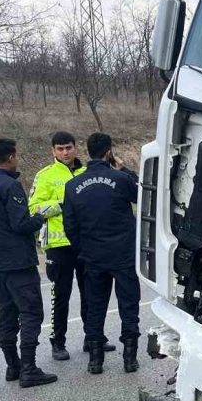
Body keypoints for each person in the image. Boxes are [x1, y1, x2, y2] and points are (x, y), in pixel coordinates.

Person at [0, 138, 58, 388]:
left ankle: (13, 364)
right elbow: (20, 224)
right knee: (31, 313)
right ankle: (29, 368)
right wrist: (40, 217)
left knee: (7, 313)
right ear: (11, 157)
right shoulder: (10, 186)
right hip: (19, 263)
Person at [28, 131, 115, 361]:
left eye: (68, 147)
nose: (65, 152)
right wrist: (64, 204)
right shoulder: (45, 175)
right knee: (61, 296)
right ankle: (58, 342)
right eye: (60, 149)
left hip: (86, 243)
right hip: (58, 246)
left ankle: (93, 338)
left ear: (76, 148)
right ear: (53, 151)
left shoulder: (88, 172)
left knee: (91, 293)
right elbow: (34, 208)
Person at [62, 133, 141, 375]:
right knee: (129, 305)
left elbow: (70, 225)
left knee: (95, 307)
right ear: (109, 152)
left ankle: (95, 361)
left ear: (87, 151)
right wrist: (126, 170)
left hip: (93, 256)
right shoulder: (120, 179)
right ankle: (129, 358)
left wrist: (82, 249)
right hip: (123, 254)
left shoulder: (73, 185)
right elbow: (143, 196)